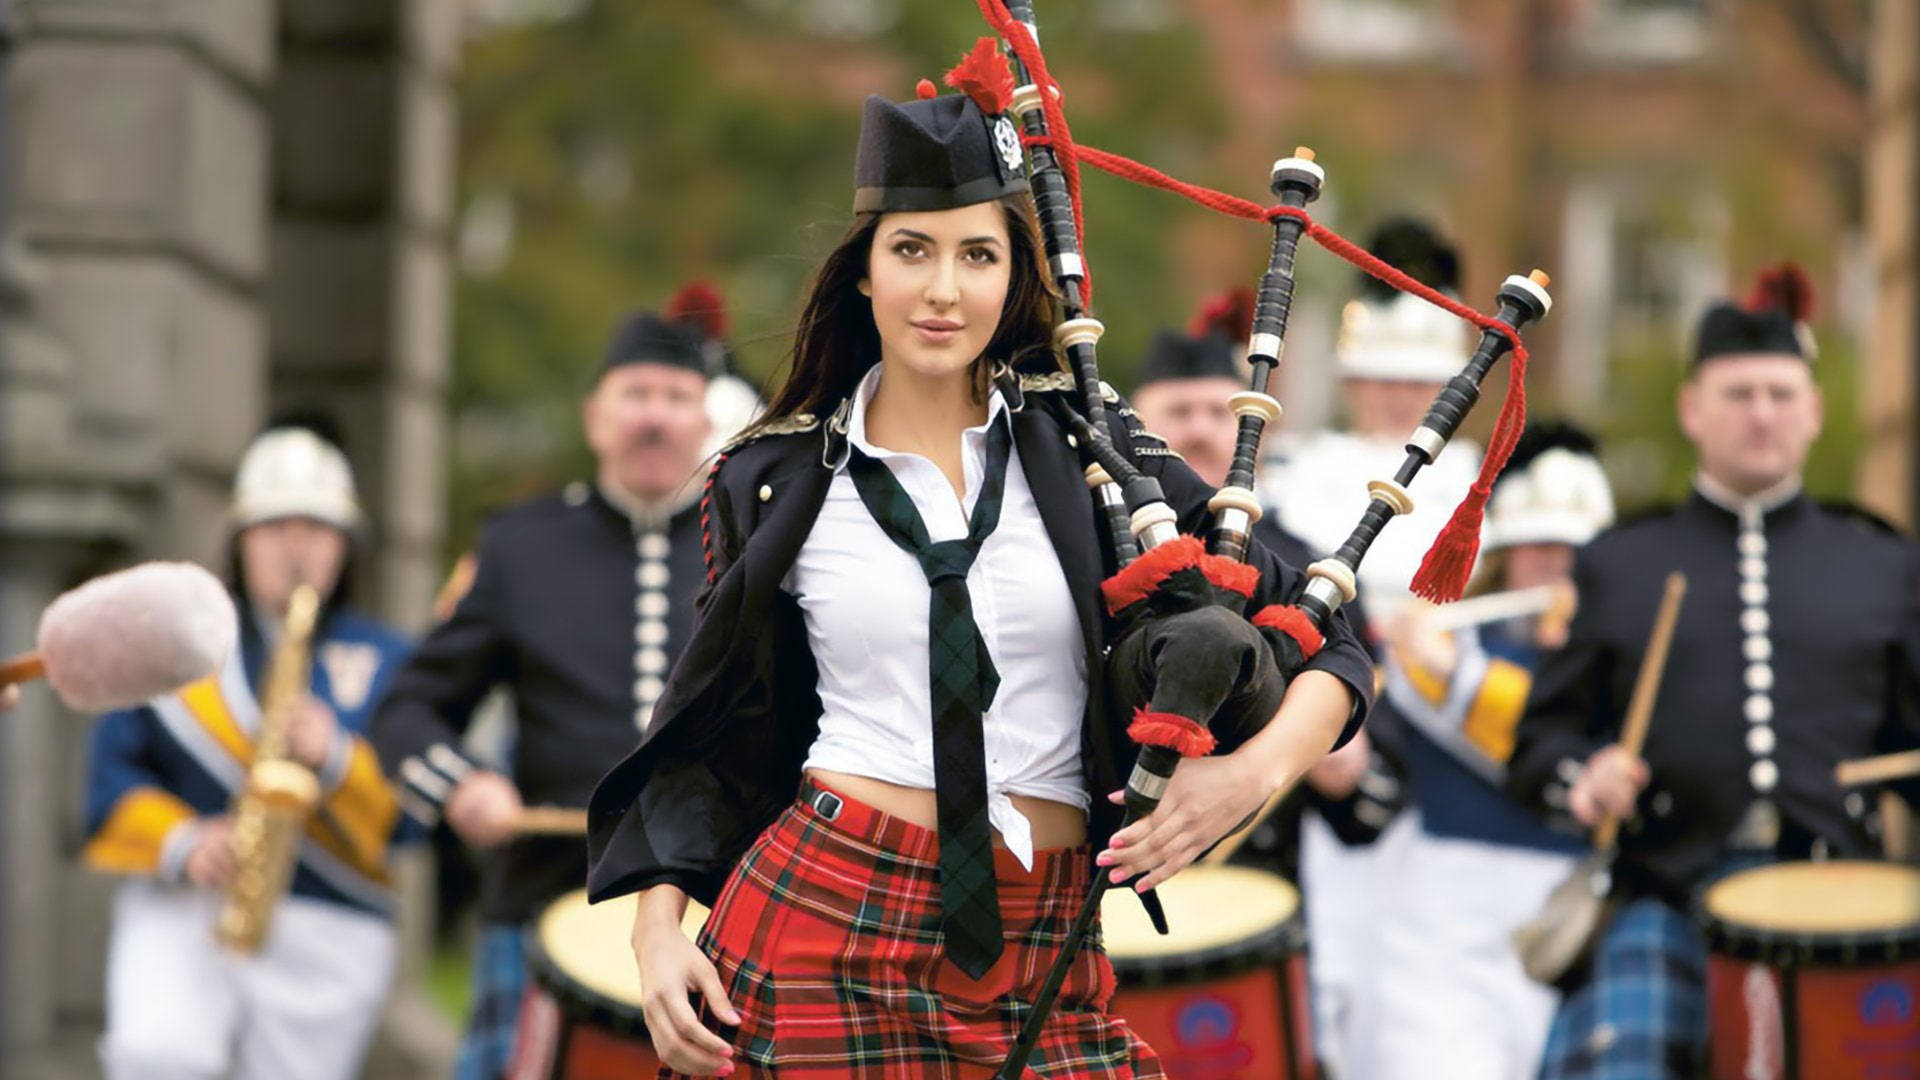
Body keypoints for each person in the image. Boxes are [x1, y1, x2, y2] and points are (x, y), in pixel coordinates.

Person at [584, 60, 1374, 1079]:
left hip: (1048, 933)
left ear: (1016, 278)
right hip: (824, 918)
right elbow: (712, 729)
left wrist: (1250, 778)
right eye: (911, 250)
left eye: (978, 255)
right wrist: (656, 934)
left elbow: (1335, 647)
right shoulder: (773, 479)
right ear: (863, 270)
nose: (944, 290)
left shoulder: (1104, 461)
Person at [1509, 265, 1920, 1079]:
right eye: (1738, 394)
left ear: (1814, 412)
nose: (1761, 413)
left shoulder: (1883, 564)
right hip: (1664, 895)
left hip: (1844, 898)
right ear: (1693, 409)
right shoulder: (1620, 563)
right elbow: (1538, 746)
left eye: (1779, 393)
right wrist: (1584, 777)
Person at [370, 306, 716, 1080]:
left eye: (674, 397)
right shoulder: (520, 547)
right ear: (596, 417)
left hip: (713, 916)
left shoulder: (751, 549)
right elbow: (408, 711)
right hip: (540, 900)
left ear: (704, 419)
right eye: (635, 395)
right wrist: (460, 786)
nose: (654, 417)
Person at [82, 418, 414, 1080]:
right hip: (187, 903)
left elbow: (413, 818)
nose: (297, 547)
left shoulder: (390, 660)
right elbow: (109, 771)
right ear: (240, 539)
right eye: (276, 527)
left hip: (329, 922)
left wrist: (338, 758)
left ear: (346, 545)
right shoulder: (175, 646)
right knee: (157, 1055)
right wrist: (181, 842)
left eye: (317, 529)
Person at [1259, 217, 1481, 1076]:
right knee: (1339, 999)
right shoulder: (1299, 476)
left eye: (1420, 380)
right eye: (1383, 376)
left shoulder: (1494, 485)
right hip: (1338, 759)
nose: (1399, 396)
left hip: (1470, 773)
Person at [1355, 422, 1611, 1080]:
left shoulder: (1619, 667)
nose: (1558, 568)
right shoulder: (1441, 644)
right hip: (1444, 919)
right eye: (1539, 547)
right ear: (1504, 556)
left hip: (1576, 913)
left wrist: (1452, 678)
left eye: (1577, 552)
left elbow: (1530, 727)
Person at [1125, 308, 1380, 881]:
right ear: (1135, 426)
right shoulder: (1096, 536)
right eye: (1177, 411)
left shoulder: (1309, 567)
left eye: (1220, 412)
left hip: (1253, 889)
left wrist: (1293, 749)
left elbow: (1359, 792)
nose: (1198, 430)